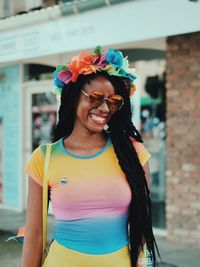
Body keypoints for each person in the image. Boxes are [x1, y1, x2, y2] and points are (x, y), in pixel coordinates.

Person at [22, 46, 158, 267]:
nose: (104, 108)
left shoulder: (133, 154)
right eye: (96, 98)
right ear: (75, 97)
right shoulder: (45, 158)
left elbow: (143, 230)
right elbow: (34, 235)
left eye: (113, 102)